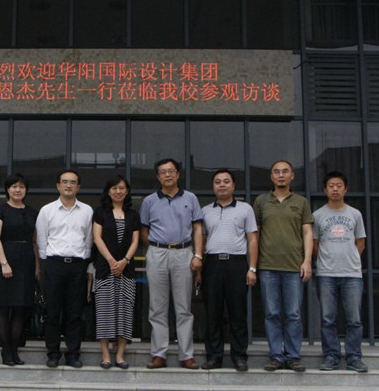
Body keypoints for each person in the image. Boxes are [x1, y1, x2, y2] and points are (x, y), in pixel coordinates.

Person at [139, 158, 203, 370]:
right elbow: (144, 231)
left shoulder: (191, 198)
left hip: (184, 252)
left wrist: (198, 255)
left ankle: (187, 355)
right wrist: (157, 246)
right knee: (157, 307)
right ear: (158, 177)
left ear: (177, 174)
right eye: (163, 172)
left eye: (171, 171)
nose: (167, 175)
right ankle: (159, 354)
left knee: (184, 307)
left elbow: (197, 229)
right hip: (157, 252)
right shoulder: (149, 201)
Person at [253, 160, 313, 372]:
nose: (280, 175)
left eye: (285, 172)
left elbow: (307, 232)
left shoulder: (301, 202)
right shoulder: (261, 201)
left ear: (292, 176)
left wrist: (307, 261)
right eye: (276, 172)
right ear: (271, 177)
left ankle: (293, 356)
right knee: (272, 314)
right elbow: (255, 235)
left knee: (293, 314)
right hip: (267, 266)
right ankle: (276, 356)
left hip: (294, 267)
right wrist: (253, 266)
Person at [200, 169, 258, 371]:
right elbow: (201, 240)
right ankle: (214, 357)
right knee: (212, 313)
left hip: (237, 264)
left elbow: (252, 239)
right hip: (212, 264)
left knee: (238, 313)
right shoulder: (205, 210)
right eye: (218, 182)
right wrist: (198, 271)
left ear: (233, 185)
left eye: (226, 181)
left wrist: (252, 268)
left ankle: (239, 356)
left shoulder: (245, 209)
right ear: (213, 186)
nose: (222, 185)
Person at [36, 170, 94, 368]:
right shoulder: (47, 210)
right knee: (52, 311)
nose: (69, 185)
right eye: (65, 182)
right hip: (54, 265)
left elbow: (89, 239)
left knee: (75, 312)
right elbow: (42, 239)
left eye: (73, 182)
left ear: (78, 187)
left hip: (77, 265)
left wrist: (85, 260)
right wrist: (47, 263)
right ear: (58, 185)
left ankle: (73, 354)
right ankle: (53, 353)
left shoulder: (87, 211)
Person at [313, 171, 368, 373]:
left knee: (354, 319)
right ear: (325, 190)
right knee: (328, 319)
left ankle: (354, 357)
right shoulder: (317, 215)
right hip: (326, 274)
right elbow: (315, 244)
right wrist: (328, 259)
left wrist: (349, 259)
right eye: (331, 186)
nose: (335, 189)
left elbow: (360, 243)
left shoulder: (355, 214)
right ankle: (331, 356)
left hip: (352, 274)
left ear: (345, 189)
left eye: (339, 186)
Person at [0, 174, 39, 366]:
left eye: (21, 186)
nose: (18, 190)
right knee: (3, 306)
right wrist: (3, 263)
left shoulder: (33, 212)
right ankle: (5, 350)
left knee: (20, 308)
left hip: (26, 261)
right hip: (6, 259)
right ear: (7, 189)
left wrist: (37, 266)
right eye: (14, 186)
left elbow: (34, 241)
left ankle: (15, 349)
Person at [92, 175, 141, 370]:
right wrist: (112, 261)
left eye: (121, 188)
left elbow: (136, 241)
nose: (118, 191)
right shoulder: (100, 212)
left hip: (126, 270)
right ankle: (105, 355)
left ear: (127, 191)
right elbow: (97, 238)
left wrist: (124, 261)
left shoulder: (133, 214)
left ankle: (120, 355)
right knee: (104, 312)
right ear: (108, 191)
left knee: (125, 312)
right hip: (106, 269)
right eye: (114, 188)